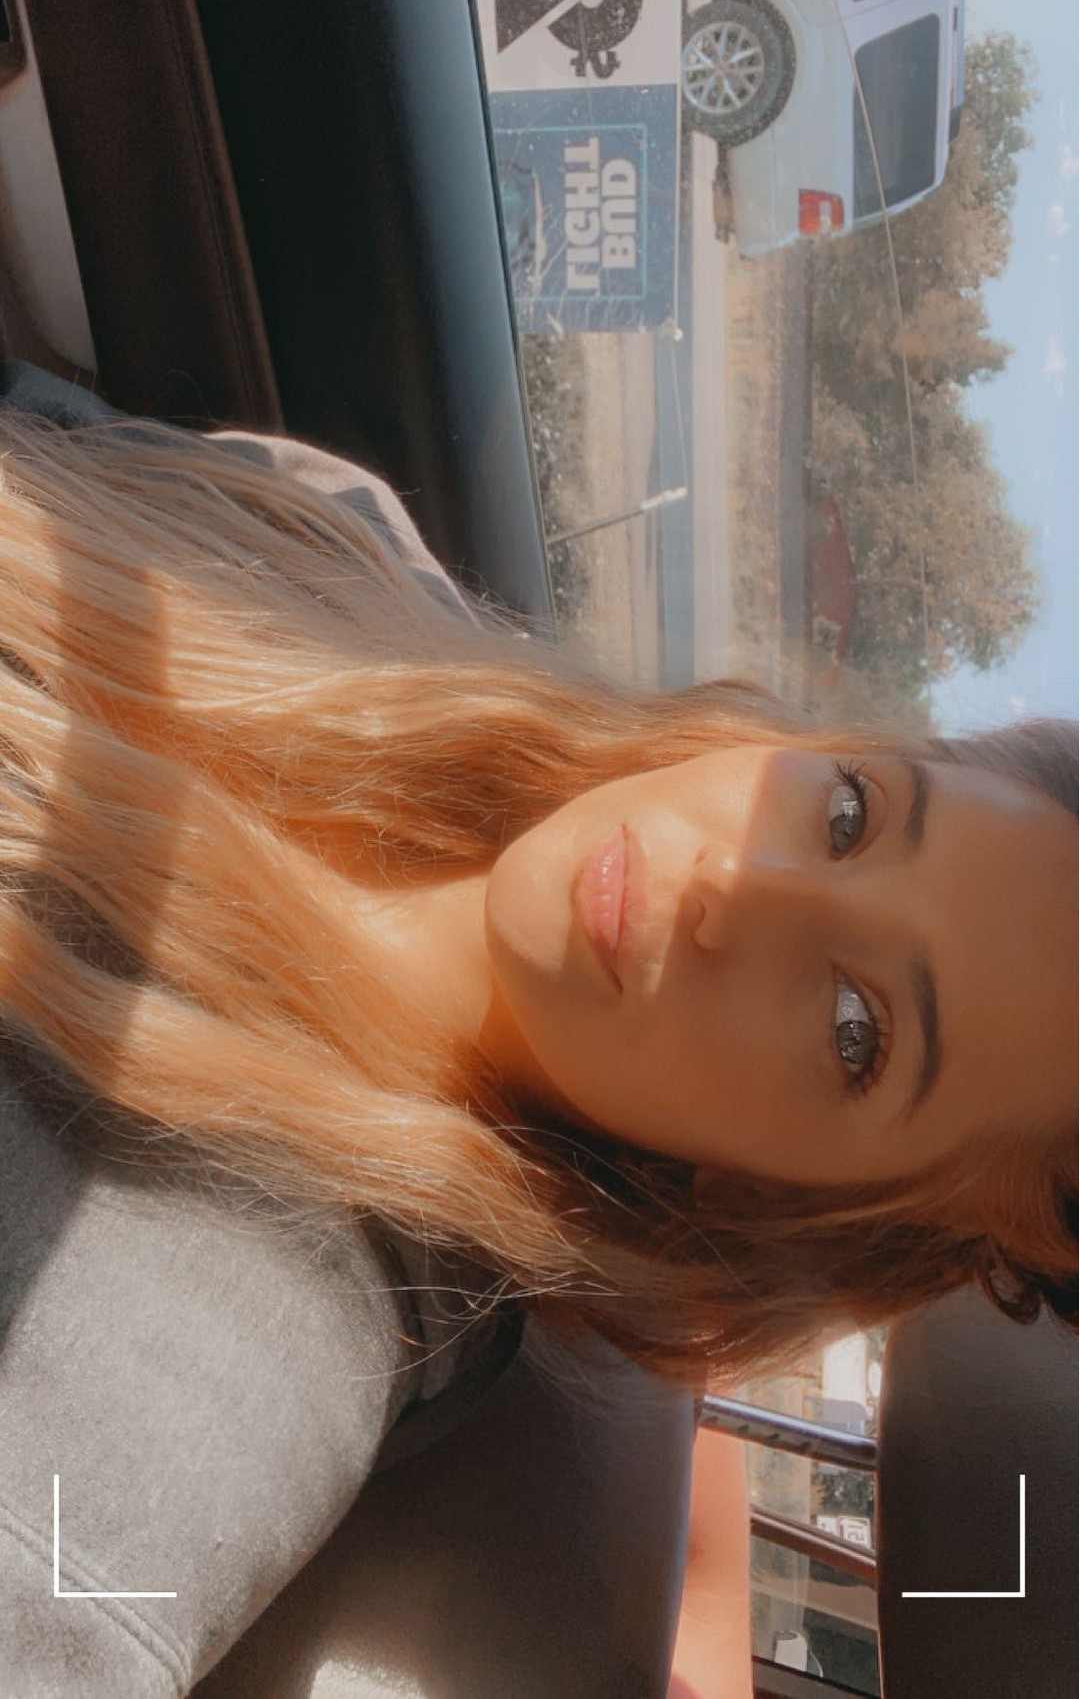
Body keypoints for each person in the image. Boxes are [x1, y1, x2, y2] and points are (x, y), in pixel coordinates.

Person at [0, 364, 1075, 1688]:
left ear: (805, 1206)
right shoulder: (330, 539)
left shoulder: (235, 1333)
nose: (736, 886)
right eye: (850, 815)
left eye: (859, 1030)